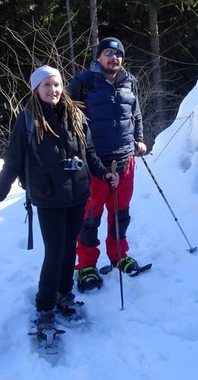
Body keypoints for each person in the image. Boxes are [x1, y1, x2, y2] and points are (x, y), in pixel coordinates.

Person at [0, 65, 119, 336]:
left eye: (56, 85)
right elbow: (14, 161)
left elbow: (89, 153)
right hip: (48, 197)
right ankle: (45, 306)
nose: (53, 90)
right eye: (47, 85)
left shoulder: (77, 116)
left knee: (70, 250)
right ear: (36, 89)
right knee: (55, 252)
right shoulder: (28, 120)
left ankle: (64, 294)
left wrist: (104, 174)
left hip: (78, 194)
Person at [67, 37, 147, 292]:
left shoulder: (129, 81)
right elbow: (66, 115)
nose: (114, 58)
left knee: (120, 213)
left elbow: (135, 113)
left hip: (125, 160)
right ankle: (86, 265)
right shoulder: (84, 82)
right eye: (108, 53)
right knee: (90, 217)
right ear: (99, 57)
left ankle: (119, 256)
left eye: (118, 54)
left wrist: (139, 139)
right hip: (95, 162)